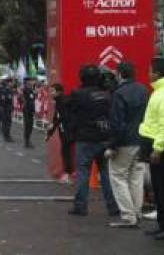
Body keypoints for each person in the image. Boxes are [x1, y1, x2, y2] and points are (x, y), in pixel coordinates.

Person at [68, 65, 119, 217]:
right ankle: (113, 207)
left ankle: (80, 206)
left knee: (83, 172)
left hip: (85, 138)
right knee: (106, 174)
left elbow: (71, 111)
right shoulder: (108, 94)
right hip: (105, 137)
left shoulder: (78, 94)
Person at [103, 62, 148, 228]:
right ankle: (137, 211)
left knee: (118, 176)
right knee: (136, 177)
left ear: (120, 74)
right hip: (142, 139)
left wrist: (112, 146)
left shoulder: (119, 93)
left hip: (124, 142)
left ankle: (128, 216)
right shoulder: (144, 90)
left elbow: (117, 123)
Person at [139, 58, 164, 240]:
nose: (148, 73)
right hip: (158, 146)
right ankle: (163, 224)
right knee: (159, 189)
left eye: (150, 70)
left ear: (157, 73)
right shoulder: (159, 91)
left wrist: (158, 149)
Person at [46, 83, 74, 184]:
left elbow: (60, 118)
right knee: (66, 151)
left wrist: (52, 130)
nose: (50, 93)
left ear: (59, 91)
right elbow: (56, 117)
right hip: (66, 130)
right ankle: (68, 173)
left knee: (66, 152)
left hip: (67, 130)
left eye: (52, 91)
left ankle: (68, 175)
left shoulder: (62, 101)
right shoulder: (59, 101)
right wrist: (50, 132)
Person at [22, 78, 36, 148]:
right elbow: (27, 99)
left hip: (30, 110)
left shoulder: (30, 90)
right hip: (27, 110)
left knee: (30, 126)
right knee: (27, 126)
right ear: (26, 82)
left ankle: (28, 140)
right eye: (30, 81)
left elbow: (33, 99)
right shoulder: (25, 90)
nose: (31, 82)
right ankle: (26, 142)